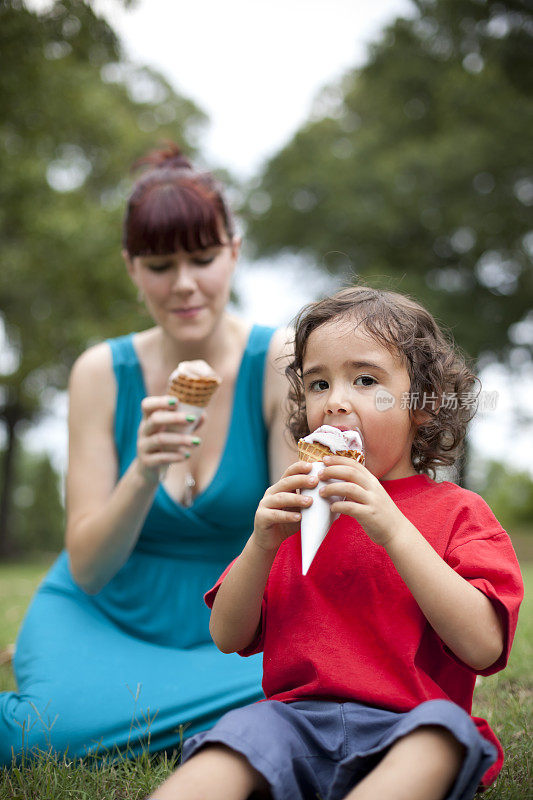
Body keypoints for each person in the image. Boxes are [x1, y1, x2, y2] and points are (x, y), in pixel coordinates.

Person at [150, 286, 523, 800]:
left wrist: (392, 529)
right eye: (318, 383)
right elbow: (227, 634)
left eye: (365, 380)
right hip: (293, 722)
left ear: (420, 405)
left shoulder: (460, 512)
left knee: (442, 739)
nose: (336, 402)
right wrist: (260, 545)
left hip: (410, 722)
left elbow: (483, 647)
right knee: (232, 740)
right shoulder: (295, 511)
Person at [0, 143, 296, 765]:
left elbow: (297, 545)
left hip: (237, 632)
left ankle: (143, 715)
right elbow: (88, 567)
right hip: (103, 614)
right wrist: (142, 472)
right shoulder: (100, 374)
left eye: (204, 258)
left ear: (235, 253)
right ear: (132, 269)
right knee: (45, 733)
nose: (185, 284)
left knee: (308, 687)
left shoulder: (278, 362)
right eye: (160, 265)